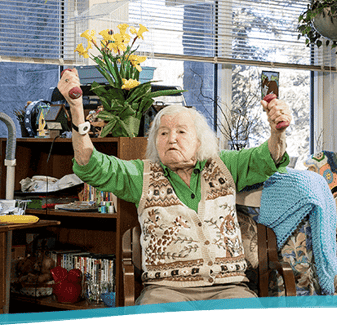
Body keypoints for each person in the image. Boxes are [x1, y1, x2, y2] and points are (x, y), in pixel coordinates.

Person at [56, 69, 291, 305]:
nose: (172, 139)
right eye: (164, 132)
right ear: (154, 141)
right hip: (165, 291)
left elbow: (268, 158)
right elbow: (90, 164)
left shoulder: (226, 165)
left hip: (228, 288)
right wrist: (77, 110)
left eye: (181, 131)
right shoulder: (141, 174)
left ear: (199, 140)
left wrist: (277, 132)